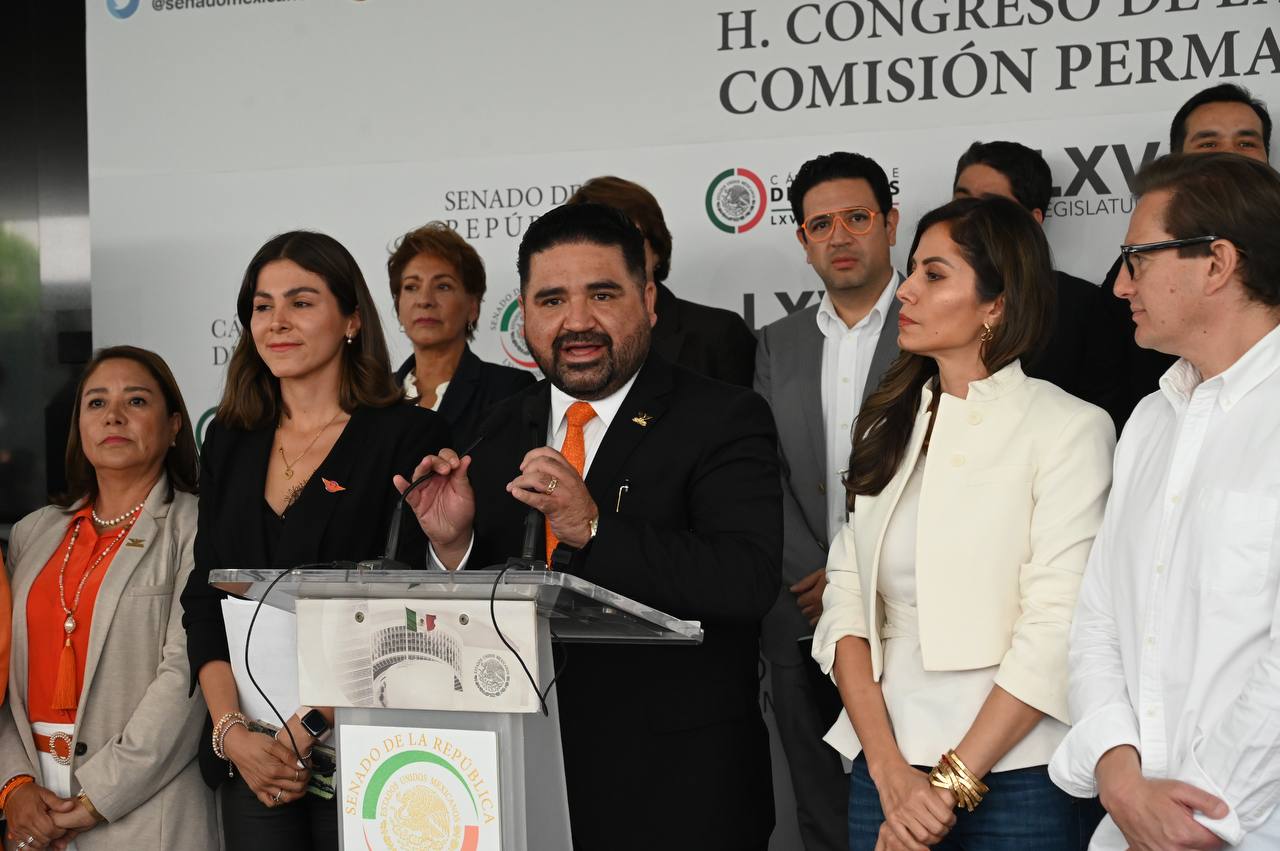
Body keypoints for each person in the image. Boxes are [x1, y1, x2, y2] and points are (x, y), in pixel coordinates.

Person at [399, 203, 782, 850]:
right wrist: (452, 545)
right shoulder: (499, 424)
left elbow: (745, 580)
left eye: (602, 295)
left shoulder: (723, 416)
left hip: (679, 793)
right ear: (524, 314)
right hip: (523, 781)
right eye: (552, 300)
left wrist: (596, 528)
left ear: (649, 301)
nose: (577, 321)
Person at [813, 196, 1115, 851]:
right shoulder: (886, 424)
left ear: (996, 304)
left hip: (1024, 775)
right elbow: (847, 603)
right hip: (885, 769)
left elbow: (1056, 628)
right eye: (914, 270)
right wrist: (888, 769)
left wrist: (947, 786)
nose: (906, 290)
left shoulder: (1068, 428)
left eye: (934, 274)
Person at [180, 231, 451, 849]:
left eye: (300, 302)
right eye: (262, 305)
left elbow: (407, 601)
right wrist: (231, 732)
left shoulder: (408, 435)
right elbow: (205, 592)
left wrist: (307, 728)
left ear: (352, 320)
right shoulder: (228, 439)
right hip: (251, 755)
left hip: (373, 745)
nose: (277, 321)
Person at [1049, 153, 1280, 850]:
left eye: (1137, 259)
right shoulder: (1151, 418)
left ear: (1217, 263)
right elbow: (1098, 618)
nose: (1120, 285)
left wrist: (1201, 815)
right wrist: (1120, 776)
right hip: (1131, 822)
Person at [0, 346, 216, 850]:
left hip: (147, 810)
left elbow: (185, 679)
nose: (113, 416)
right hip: (32, 811)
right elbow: (2, 675)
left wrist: (96, 798)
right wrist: (13, 785)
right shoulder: (33, 532)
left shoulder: (198, 526)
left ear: (175, 425)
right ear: (79, 425)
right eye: (96, 403)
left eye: (136, 401)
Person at [754, 151, 902, 851]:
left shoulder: (936, 325)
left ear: (891, 224)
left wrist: (856, 576)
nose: (839, 236)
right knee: (819, 810)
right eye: (821, 224)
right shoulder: (774, 344)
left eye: (857, 218)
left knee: (910, 803)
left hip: (904, 607)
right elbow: (762, 471)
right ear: (803, 240)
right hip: (800, 605)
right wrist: (813, 575)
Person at [1099, 83, 1273, 429]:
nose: (1228, 156)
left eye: (1246, 143)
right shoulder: (1149, 420)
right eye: (1208, 144)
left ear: (1218, 263)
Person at [953, 140, 1128, 426]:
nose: (967, 215)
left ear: (1032, 220)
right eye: (961, 200)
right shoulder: (930, 297)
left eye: (990, 204)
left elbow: (1104, 415)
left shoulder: (1082, 307)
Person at [567, 175, 758, 386]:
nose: (611, 257)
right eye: (594, 244)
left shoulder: (718, 334)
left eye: (627, 241)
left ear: (657, 250)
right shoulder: (565, 335)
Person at [388, 222, 534, 446]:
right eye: (411, 287)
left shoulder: (508, 389)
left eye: (443, 286)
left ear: (473, 307)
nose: (424, 300)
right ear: (398, 306)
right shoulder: (375, 393)